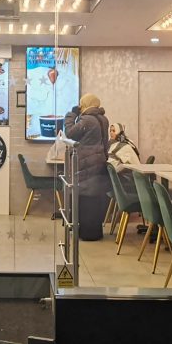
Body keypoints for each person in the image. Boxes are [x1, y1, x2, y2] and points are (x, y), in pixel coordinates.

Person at [65, 93, 110, 241]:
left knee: (85, 198)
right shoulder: (103, 119)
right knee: (94, 199)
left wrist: (71, 115)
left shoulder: (87, 120)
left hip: (86, 163)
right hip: (99, 162)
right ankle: (94, 232)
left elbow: (70, 133)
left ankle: (86, 233)